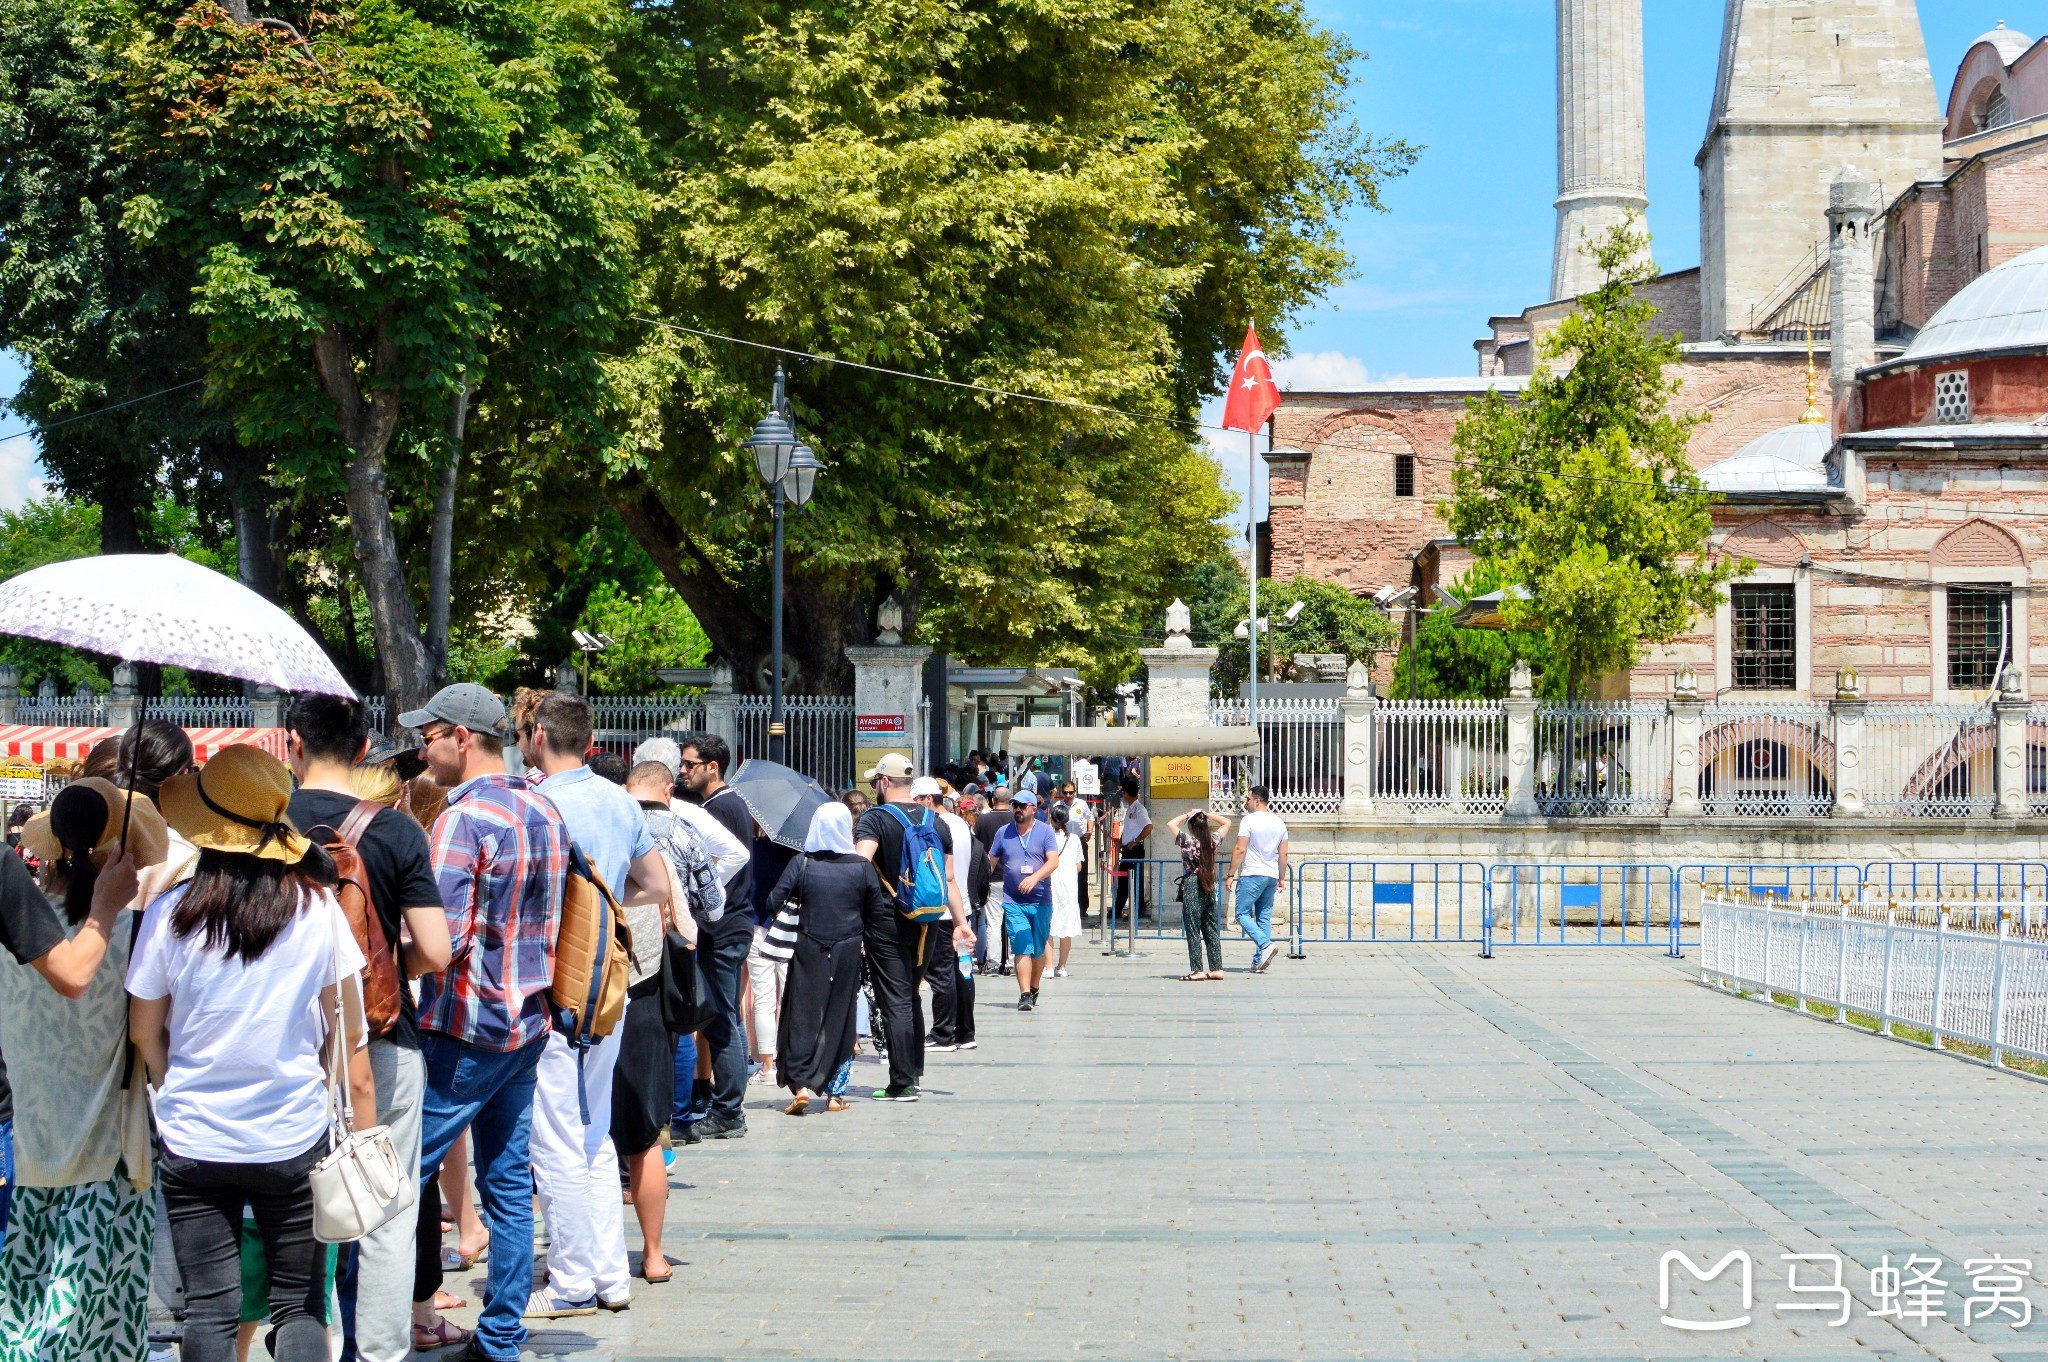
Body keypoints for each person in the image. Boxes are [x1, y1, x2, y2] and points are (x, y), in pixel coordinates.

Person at [128, 744, 377, 1362]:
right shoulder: (317, 911)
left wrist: (176, 1078)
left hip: (193, 1138)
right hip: (292, 1134)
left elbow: (143, 1031)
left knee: (209, 1311)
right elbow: (347, 1034)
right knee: (298, 1307)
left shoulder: (170, 914)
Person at [283, 693, 457, 1360]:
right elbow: (437, 952)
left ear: (292, 743)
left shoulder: (264, 826)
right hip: (383, 1038)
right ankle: (380, 1351)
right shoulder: (395, 831)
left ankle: (301, 1340)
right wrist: (376, 967)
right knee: (385, 1206)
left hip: (287, 1044)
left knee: (295, 1208)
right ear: (362, 752)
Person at [405, 683, 567, 1362]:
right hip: (526, 1021)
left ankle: (373, 1327)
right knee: (505, 1184)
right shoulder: (544, 810)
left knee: (398, 1175)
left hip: (464, 1022)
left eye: (428, 735)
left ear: (460, 738)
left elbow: (445, 936)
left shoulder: (462, 820)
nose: (421, 749)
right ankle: (501, 1334)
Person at [523, 694, 669, 1317]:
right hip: (606, 982)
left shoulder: (536, 803)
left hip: (553, 981)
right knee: (592, 1130)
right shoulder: (619, 801)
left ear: (536, 734)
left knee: (553, 1134)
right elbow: (658, 886)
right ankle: (610, 1275)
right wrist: (609, 904)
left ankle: (573, 1280)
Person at [0, 782, 149, 1357]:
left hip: (29, 1138)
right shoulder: (134, 930)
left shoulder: (16, 919)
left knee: (22, 1303)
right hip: (104, 1146)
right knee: (98, 1314)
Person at [618, 761, 708, 1287]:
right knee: (646, 1135)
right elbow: (692, 923)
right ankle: (653, 1254)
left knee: (576, 1141)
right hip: (645, 988)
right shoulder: (659, 847)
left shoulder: (571, 845)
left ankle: (589, 1255)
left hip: (580, 993)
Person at [852, 754, 973, 1101]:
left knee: (895, 1000)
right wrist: (961, 923)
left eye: (876, 781)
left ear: (885, 782)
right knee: (909, 994)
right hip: (928, 919)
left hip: (887, 920)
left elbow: (861, 865)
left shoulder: (874, 819)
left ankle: (902, 1082)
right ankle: (914, 1074)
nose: (875, 786)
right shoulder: (938, 822)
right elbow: (948, 878)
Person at [763, 803, 888, 1114]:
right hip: (848, 949)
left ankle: (802, 1086)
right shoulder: (861, 867)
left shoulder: (802, 863)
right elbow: (877, 915)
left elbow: (772, 902)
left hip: (808, 948)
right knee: (842, 1017)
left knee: (801, 1015)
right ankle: (835, 1095)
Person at [675, 733, 757, 1140]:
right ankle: (727, 1104)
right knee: (726, 1016)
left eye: (690, 764)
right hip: (730, 923)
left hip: (723, 925)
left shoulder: (720, 807)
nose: (683, 771)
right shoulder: (726, 804)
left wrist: (697, 897)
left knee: (721, 1019)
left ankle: (728, 1112)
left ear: (713, 766)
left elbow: (722, 862)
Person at [916, 778, 975, 1052]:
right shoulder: (960, 822)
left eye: (916, 800)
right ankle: (965, 1032)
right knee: (961, 971)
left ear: (929, 799)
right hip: (963, 907)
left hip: (943, 912)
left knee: (942, 973)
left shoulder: (934, 827)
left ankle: (942, 1033)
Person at [987, 790, 1060, 1011]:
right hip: (1013, 901)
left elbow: (1053, 862)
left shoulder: (1045, 831)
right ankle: (1025, 994)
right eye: (1014, 805)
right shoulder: (1003, 832)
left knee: (1038, 949)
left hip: (1040, 902)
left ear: (1033, 809)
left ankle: (1034, 986)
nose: (1017, 809)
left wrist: (1035, 877)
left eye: (1021, 805)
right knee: (1022, 946)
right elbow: (991, 861)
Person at [1225, 786, 1290, 974]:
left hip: (1252, 873)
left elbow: (1240, 849)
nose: (1246, 802)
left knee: (1241, 913)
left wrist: (1230, 874)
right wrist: (1281, 877)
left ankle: (1265, 944)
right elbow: (1284, 852)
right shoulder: (1279, 823)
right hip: (1270, 874)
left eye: (1247, 799)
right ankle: (1258, 961)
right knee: (1263, 917)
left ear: (1257, 801)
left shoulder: (1249, 821)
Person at [1167, 808, 1230, 981]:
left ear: (1192, 827)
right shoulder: (1212, 841)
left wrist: (1187, 814)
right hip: (1209, 883)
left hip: (1193, 883)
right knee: (1210, 928)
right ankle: (1217, 968)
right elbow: (1227, 822)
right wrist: (1207, 815)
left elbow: (1170, 823)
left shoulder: (1187, 841)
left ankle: (1197, 970)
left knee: (1193, 929)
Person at [969, 785, 1012, 975]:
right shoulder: (1015, 819)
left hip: (991, 876)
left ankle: (993, 962)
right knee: (1012, 921)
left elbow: (975, 847)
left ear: (993, 800)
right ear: (1010, 802)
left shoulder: (983, 820)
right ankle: (1011, 962)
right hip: (1013, 877)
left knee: (993, 922)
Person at [1046, 806, 1086, 977]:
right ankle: (1061, 967)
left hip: (1051, 883)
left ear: (1052, 819)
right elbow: (1079, 866)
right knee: (1066, 926)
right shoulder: (1075, 839)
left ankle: (1048, 967)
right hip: (1069, 886)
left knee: (1049, 926)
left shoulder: (1046, 837)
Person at [1111, 772, 1151, 929]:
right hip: (1127, 849)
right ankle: (1118, 908)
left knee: (1135, 881)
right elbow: (1128, 828)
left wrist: (1135, 841)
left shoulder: (1139, 809)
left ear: (1126, 793)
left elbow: (1149, 827)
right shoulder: (1130, 808)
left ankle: (1137, 909)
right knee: (1123, 881)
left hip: (1135, 850)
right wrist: (1122, 840)